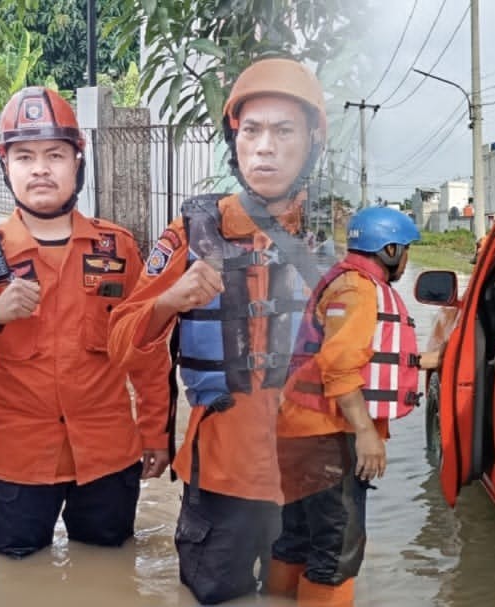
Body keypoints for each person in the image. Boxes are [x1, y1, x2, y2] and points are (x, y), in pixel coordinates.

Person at [108, 57, 327, 604]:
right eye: (251, 130)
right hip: (221, 476)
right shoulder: (189, 233)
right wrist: (166, 301)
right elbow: (122, 342)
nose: (265, 147)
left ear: (311, 144)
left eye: (283, 131)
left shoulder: (336, 243)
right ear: (235, 141)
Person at [0, 87, 170, 558]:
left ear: (77, 163)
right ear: (7, 167)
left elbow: (146, 348)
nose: (41, 168)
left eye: (55, 154)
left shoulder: (118, 248)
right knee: (17, 574)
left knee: (110, 574)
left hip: (109, 456)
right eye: (24, 156)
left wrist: (155, 433)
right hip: (19, 463)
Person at [274, 207, 443, 606]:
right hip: (328, 435)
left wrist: (418, 362)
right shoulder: (360, 290)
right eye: (404, 251)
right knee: (337, 552)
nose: (406, 260)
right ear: (388, 249)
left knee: (297, 539)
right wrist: (367, 433)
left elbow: (357, 353)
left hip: (299, 429)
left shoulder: (344, 280)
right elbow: (340, 366)